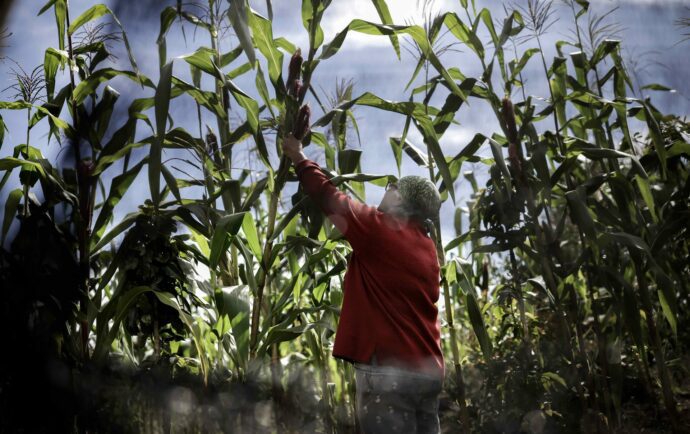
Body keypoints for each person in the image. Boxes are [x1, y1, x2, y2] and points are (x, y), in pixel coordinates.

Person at [282, 134, 445, 434]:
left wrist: (299, 157)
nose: (386, 190)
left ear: (401, 201)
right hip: (427, 373)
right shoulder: (428, 248)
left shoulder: (380, 229)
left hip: (388, 373)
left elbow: (331, 198)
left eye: (391, 187)